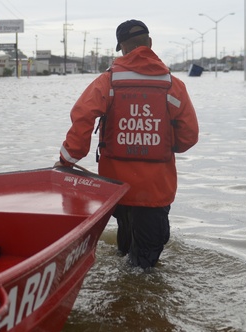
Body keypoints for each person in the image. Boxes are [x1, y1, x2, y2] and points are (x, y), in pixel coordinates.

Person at [56, 19, 199, 269]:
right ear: (150, 44)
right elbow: (189, 136)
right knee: (146, 266)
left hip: (117, 189)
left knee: (125, 247)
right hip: (156, 189)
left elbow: (82, 118)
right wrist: (160, 143)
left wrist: (67, 161)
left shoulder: (107, 82)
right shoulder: (172, 86)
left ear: (122, 48)